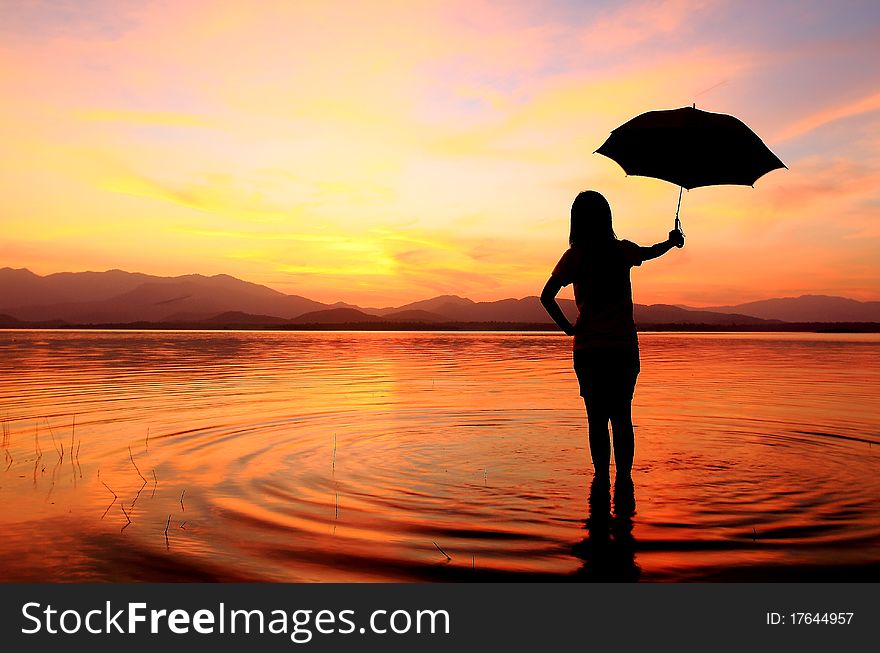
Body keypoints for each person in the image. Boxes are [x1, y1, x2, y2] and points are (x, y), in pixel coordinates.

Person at [541, 190, 684, 481]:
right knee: (622, 418)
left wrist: (569, 329)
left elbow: (546, 297)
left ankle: (601, 484)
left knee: (596, 420)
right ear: (607, 218)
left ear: (576, 221)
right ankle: (625, 484)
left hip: (589, 351)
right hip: (622, 349)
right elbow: (649, 251)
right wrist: (672, 240)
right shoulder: (620, 251)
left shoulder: (574, 257)